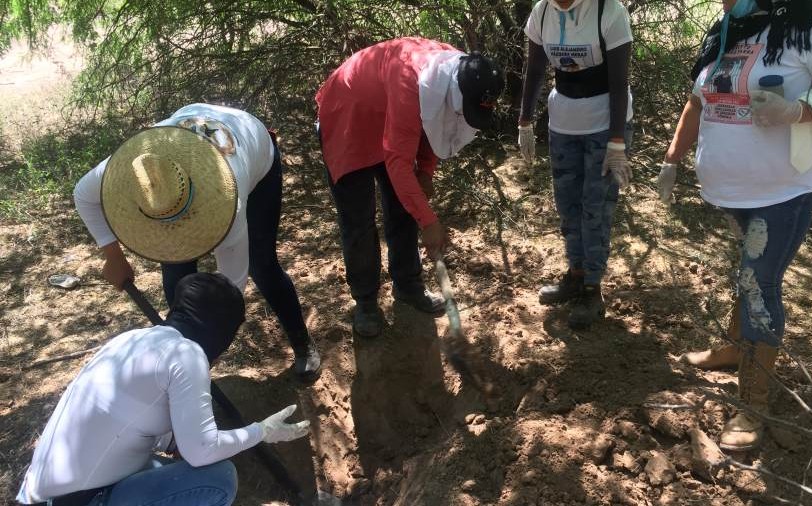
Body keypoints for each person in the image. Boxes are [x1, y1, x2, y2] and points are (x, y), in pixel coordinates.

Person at [658, 0, 812, 450]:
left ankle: (753, 402)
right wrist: (672, 160)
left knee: (759, 281)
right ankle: (739, 346)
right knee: (748, 271)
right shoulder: (732, 27)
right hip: (732, 191)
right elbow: (697, 103)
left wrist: (800, 110)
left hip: (785, 188)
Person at [16, 273, 311, 505]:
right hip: (82, 500)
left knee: (167, 470)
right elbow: (202, 451)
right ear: (221, 332)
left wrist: (174, 441)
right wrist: (263, 431)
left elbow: (130, 420)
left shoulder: (132, 341)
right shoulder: (187, 354)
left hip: (47, 495)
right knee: (217, 478)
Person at [73, 104, 320, 378]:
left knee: (262, 265)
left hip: (254, 154)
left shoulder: (229, 205)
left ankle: (302, 343)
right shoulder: (133, 170)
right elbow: (83, 195)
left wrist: (205, 353)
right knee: (176, 281)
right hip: (191, 141)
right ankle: (179, 349)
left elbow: (230, 292)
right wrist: (114, 257)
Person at [316, 37, 504, 337]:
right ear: (457, 90)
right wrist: (429, 222)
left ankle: (408, 285)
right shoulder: (413, 78)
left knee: (404, 207)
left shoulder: (460, 68)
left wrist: (426, 172)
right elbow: (398, 161)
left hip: (391, 119)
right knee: (358, 220)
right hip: (350, 119)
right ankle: (366, 301)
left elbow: (435, 122)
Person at [517, 0, 635, 330]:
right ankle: (576, 273)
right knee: (568, 204)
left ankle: (591, 289)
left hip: (604, 124)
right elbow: (536, 67)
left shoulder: (608, 11)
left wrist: (616, 141)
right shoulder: (542, 12)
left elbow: (619, 80)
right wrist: (525, 120)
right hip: (564, 123)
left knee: (595, 206)